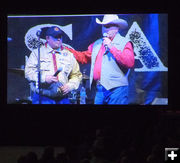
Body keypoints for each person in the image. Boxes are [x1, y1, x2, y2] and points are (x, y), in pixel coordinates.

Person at [66, 14, 134, 104]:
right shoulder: (97, 44)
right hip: (100, 89)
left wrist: (111, 47)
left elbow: (129, 62)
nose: (105, 29)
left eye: (108, 26)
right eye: (103, 26)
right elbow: (84, 57)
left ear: (116, 28)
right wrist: (66, 50)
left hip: (117, 89)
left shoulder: (125, 42)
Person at [25, 26, 82, 104]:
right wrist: (45, 78)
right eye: (55, 37)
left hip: (63, 98)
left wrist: (70, 86)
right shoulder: (37, 53)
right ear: (47, 38)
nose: (59, 39)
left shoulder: (69, 55)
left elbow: (76, 75)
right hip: (43, 97)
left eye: (60, 37)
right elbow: (28, 72)